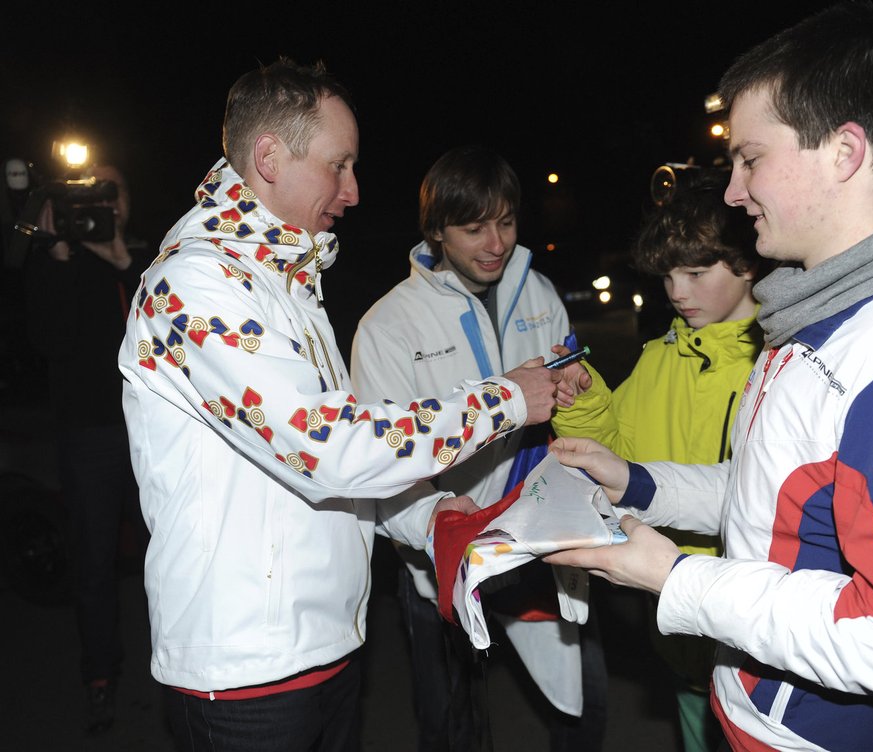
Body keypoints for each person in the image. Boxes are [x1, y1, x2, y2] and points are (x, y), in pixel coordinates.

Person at [544, 3, 873, 751]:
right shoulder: (812, 316)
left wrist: (679, 582)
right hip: (753, 707)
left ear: (844, 152)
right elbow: (769, 506)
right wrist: (636, 482)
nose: (734, 190)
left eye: (751, 158)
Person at [117, 58, 564, 752]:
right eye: (339, 165)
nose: (353, 192)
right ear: (270, 156)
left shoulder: (288, 281)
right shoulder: (198, 286)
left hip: (322, 648)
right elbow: (329, 448)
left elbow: (345, 465)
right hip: (245, 671)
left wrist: (428, 514)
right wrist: (505, 400)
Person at [350, 144, 606, 752]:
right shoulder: (386, 327)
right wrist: (433, 522)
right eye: (473, 227)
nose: (495, 243)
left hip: (543, 535)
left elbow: (571, 382)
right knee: (451, 723)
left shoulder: (539, 290)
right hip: (441, 552)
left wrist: (576, 386)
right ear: (436, 230)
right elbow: (379, 464)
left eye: (507, 222)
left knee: (584, 705)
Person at [549, 167, 765, 752]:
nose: (676, 291)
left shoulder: (777, 364)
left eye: (695, 272)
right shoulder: (662, 356)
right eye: (668, 274)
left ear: (748, 263)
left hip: (760, 642)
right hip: (675, 623)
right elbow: (620, 453)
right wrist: (585, 400)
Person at [22, 161, 149, 734]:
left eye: (108, 191)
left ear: (125, 202)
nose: (98, 204)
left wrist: (122, 256)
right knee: (94, 562)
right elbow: (50, 341)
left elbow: (179, 324)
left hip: (153, 432)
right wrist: (56, 258)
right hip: (89, 436)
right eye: (84, 194)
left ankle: (186, 665)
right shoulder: (54, 261)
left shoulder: (144, 258)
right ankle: (100, 675)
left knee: (171, 551)